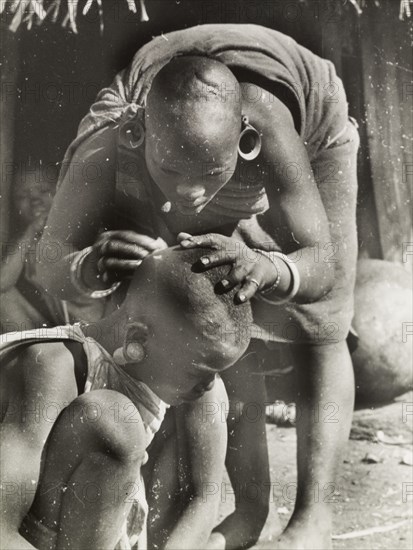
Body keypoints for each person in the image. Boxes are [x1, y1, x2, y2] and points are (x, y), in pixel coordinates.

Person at [35, 24, 359, 549]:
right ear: (140, 138)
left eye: (211, 173)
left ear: (244, 142)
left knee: (320, 319)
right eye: (170, 170)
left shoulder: (268, 126)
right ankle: (240, 508)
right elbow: (46, 259)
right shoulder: (112, 139)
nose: (191, 194)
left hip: (308, 118)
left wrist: (265, 266)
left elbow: (322, 264)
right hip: (169, 122)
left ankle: (311, 517)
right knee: (196, 308)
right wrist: (87, 265)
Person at [0, 246, 252, 550]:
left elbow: (203, 498)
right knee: (113, 420)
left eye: (217, 370)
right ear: (138, 337)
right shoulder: (53, 366)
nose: (209, 383)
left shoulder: (199, 382)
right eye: (201, 370)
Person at [0, 164, 104, 334]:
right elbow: (2, 283)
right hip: (61, 329)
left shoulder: (80, 224)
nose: (34, 200)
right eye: (22, 196)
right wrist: (31, 231)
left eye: (43, 190)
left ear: (60, 192)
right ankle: (36, 354)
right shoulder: (27, 240)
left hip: (97, 325)